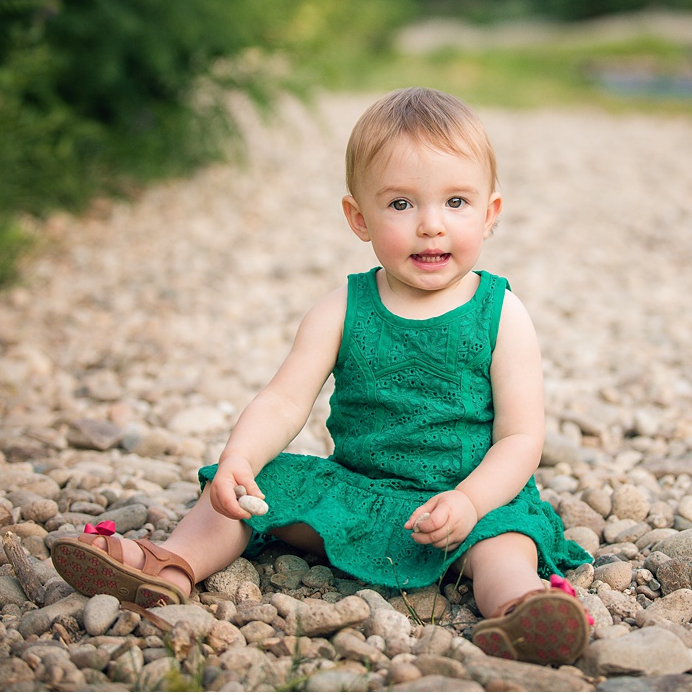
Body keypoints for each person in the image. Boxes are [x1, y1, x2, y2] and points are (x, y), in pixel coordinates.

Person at [52, 87, 593, 665]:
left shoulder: (501, 313)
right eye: (402, 204)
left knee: (504, 543)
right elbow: (285, 401)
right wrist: (241, 458)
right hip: (359, 493)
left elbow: (520, 438)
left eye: (455, 202)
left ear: (490, 213)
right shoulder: (342, 308)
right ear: (358, 218)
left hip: (466, 501)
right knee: (251, 490)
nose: (431, 226)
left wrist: (467, 500)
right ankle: (171, 564)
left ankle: (522, 609)